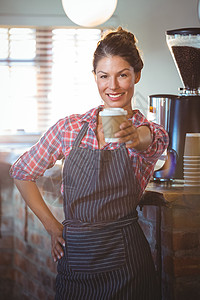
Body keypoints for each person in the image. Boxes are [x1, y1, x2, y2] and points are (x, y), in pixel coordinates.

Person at [10, 27, 169, 299]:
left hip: (127, 264)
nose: (113, 85)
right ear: (95, 77)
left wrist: (134, 136)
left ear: (136, 76)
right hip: (75, 262)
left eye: (122, 75)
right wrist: (52, 226)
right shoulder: (69, 128)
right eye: (103, 76)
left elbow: (150, 140)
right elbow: (22, 171)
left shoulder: (148, 131)